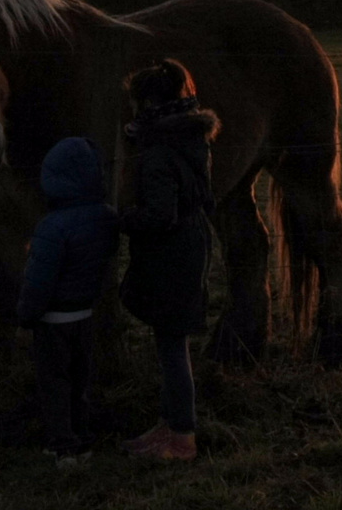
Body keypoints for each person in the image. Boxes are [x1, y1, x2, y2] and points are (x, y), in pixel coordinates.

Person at [117, 58, 219, 463]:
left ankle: (181, 436)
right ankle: (170, 424)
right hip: (192, 243)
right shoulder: (193, 138)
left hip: (171, 253)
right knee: (170, 344)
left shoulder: (158, 152)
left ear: (147, 104)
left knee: (172, 347)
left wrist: (121, 219)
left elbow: (160, 216)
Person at [17, 136, 119, 467]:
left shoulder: (50, 228)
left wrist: (26, 315)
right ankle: (83, 438)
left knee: (55, 383)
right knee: (79, 381)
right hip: (85, 314)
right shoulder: (104, 217)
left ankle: (62, 446)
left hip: (53, 322)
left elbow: (39, 282)